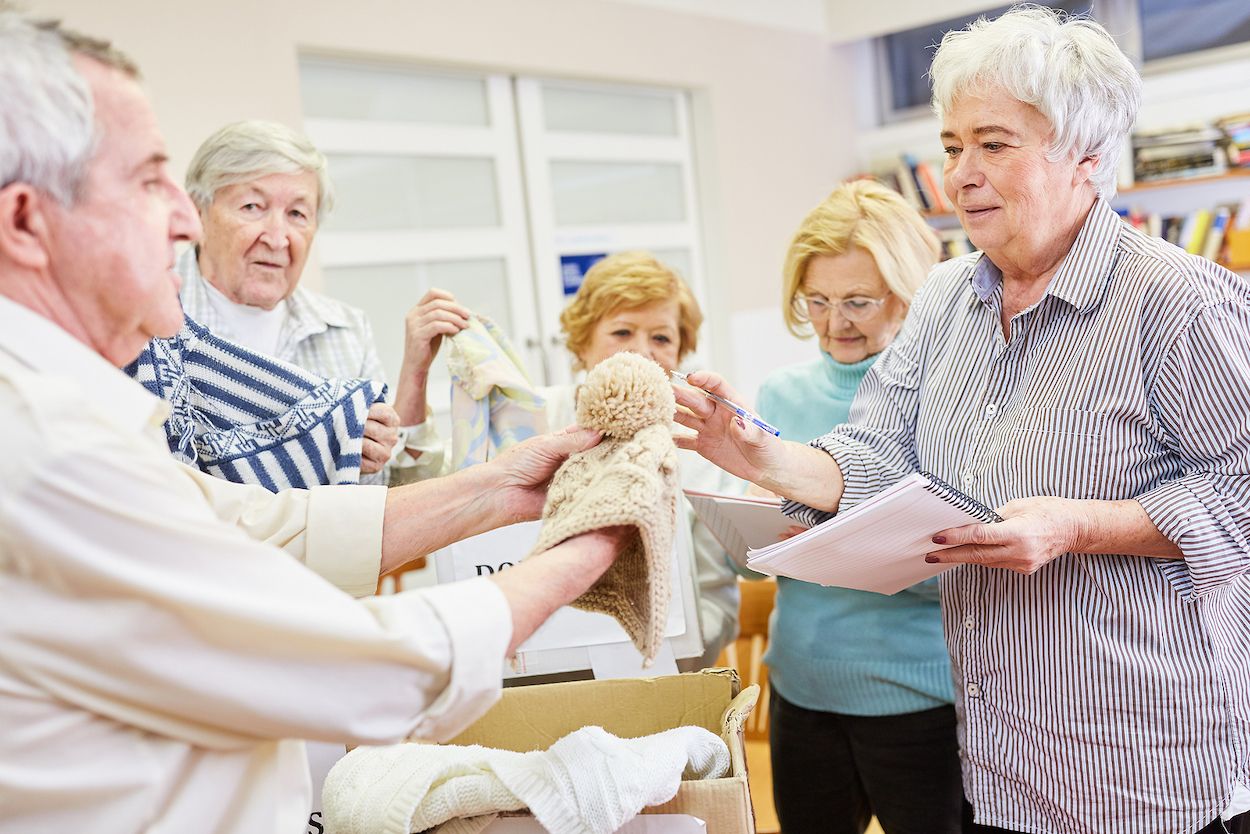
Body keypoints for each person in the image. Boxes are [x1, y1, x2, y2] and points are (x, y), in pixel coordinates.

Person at [0, 14, 632, 833]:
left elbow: (262, 520)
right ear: (25, 224)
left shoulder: (65, 413)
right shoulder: (46, 450)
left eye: (298, 213)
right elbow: (359, 669)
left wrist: (502, 492)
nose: (183, 224)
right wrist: (594, 542)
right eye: (147, 183)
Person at [673, 7, 1250, 834]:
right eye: (951, 147)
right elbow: (873, 453)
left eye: (994, 144)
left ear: (1086, 155)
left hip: (1141, 759)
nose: (959, 175)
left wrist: (1080, 527)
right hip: (998, 755)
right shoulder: (947, 297)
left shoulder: (1181, 302)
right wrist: (763, 456)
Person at [752, 181, 960, 834]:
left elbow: (971, 564)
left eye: (858, 302)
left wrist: (846, 550)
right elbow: (758, 561)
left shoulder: (950, 398)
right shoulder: (779, 394)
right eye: (817, 301)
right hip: (801, 693)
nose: (834, 324)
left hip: (919, 702)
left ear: (910, 295)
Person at [178, 119, 473, 484]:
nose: (277, 238)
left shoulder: (346, 330)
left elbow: (393, 488)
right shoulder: (149, 324)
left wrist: (414, 371)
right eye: (252, 206)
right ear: (197, 212)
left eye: (297, 214)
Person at [551, 252, 741, 668]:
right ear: (581, 342)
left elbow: (716, 594)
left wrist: (666, 654)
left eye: (661, 338)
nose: (642, 353)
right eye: (622, 332)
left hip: (666, 679)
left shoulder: (701, 448)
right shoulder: (534, 424)